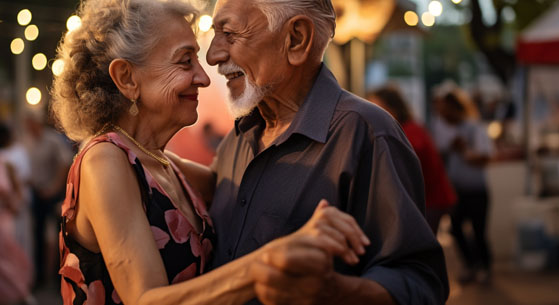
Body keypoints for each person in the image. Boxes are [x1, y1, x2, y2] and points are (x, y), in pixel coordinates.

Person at [50, 1, 368, 304]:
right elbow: (146, 299)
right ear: (127, 78)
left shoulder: (161, 164)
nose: (203, 77)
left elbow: (253, 190)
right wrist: (265, 264)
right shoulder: (105, 161)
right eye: (185, 61)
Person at [171, 0, 449, 304]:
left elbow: (422, 282)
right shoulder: (241, 136)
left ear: (296, 39)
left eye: (230, 34)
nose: (213, 56)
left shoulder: (365, 133)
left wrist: (336, 292)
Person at [368, 86, 457, 233]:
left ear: (393, 108)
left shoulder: (409, 132)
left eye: (377, 109)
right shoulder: (406, 128)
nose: (372, 115)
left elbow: (400, 169)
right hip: (429, 200)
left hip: (431, 201)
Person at [431, 87, 493, 284]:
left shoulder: (474, 128)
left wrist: (464, 149)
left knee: (478, 230)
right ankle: (471, 264)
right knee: (456, 228)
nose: (442, 114)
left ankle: (484, 266)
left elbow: (485, 157)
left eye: (445, 109)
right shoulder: (439, 127)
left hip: (476, 188)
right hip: (456, 189)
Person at [21, 113, 73, 285]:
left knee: (60, 233)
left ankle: (60, 276)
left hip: (53, 193)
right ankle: (40, 276)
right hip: (37, 192)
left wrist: (54, 188)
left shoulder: (52, 140)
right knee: (37, 233)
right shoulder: (27, 142)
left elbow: (65, 163)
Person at [0, 123, 33, 304]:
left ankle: (20, 291)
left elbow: (17, 186)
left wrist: (15, 204)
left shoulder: (6, 160)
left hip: (6, 217)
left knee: (11, 257)